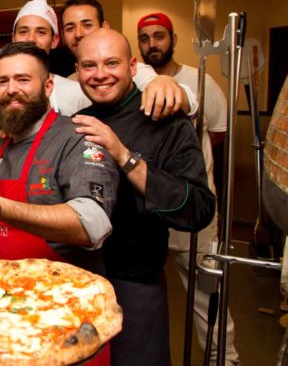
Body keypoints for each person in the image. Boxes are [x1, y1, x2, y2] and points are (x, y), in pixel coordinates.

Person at [0, 41, 119, 365]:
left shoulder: (80, 138)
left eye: (23, 80)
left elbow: (93, 224)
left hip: (65, 315)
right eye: (2, 82)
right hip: (6, 314)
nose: (10, 90)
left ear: (48, 86)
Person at [71, 29, 215, 366]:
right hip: (79, 283)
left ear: (133, 66)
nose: (100, 74)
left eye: (111, 63)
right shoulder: (76, 123)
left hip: (136, 284)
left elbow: (198, 209)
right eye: (89, 65)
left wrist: (123, 156)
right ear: (77, 71)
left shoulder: (166, 120)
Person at [137, 12, 238, 365]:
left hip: (190, 206)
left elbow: (218, 136)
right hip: (147, 210)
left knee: (207, 298)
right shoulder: (135, 82)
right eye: (145, 38)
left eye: (159, 36)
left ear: (173, 39)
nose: (153, 44)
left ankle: (222, 358)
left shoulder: (201, 81)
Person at [61, 0, 197, 120]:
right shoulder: (69, 81)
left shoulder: (130, 71)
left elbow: (189, 103)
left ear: (105, 27)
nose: (78, 34)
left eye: (87, 25)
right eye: (70, 28)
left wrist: (164, 83)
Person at [10, 0, 92, 116]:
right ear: (13, 39)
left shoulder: (77, 93)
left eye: (41, 32)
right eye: (23, 32)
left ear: (54, 40)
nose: (31, 39)